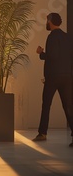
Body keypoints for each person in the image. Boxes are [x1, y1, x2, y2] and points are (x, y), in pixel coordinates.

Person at [33, 13, 73, 146]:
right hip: (67, 76)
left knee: (46, 105)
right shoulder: (68, 37)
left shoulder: (51, 37)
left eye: (46, 20)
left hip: (53, 77)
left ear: (50, 21)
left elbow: (52, 57)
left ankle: (42, 133)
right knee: (68, 106)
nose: (46, 23)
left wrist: (41, 53)